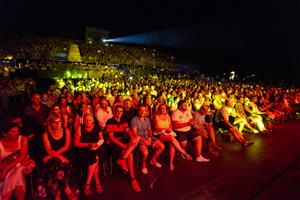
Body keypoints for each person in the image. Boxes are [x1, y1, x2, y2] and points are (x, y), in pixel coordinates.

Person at [42, 112, 78, 200]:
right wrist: (59, 157)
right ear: (50, 123)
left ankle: (57, 193)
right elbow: (48, 150)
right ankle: (67, 189)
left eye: (60, 121)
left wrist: (52, 156)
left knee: (59, 164)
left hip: (65, 154)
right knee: (57, 164)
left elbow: (66, 146)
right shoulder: (45, 134)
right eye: (55, 122)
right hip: (54, 156)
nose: (58, 124)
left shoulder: (67, 130)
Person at [105, 105, 141, 192]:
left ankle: (122, 158)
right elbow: (111, 138)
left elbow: (128, 130)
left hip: (123, 141)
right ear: (114, 112)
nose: (119, 113)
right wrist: (122, 145)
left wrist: (132, 137)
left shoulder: (124, 120)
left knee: (137, 137)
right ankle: (133, 178)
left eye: (121, 111)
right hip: (114, 143)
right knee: (131, 155)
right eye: (117, 111)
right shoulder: (110, 121)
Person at [0, 122, 35, 200]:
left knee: (17, 170)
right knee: (17, 174)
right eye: (13, 131)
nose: (17, 133)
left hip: (26, 164)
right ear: (5, 134)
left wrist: (6, 169)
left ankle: (5, 197)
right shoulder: (0, 145)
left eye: (17, 130)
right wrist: (6, 168)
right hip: (10, 169)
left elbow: (22, 157)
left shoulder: (23, 139)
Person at [154, 104, 192, 171]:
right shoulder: (156, 116)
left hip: (168, 133)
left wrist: (170, 129)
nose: (163, 110)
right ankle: (183, 152)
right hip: (159, 133)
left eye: (164, 108)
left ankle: (171, 162)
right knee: (171, 138)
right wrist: (165, 130)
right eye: (162, 108)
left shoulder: (167, 116)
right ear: (159, 109)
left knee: (172, 145)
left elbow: (171, 126)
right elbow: (156, 128)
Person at [74, 113, 104, 196]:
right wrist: (90, 144)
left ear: (93, 121)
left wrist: (97, 144)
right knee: (95, 159)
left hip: (96, 149)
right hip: (83, 150)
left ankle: (87, 184)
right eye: (86, 120)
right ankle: (96, 182)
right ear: (83, 120)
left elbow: (101, 138)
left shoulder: (97, 128)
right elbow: (76, 143)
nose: (88, 121)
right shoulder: (79, 128)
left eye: (90, 120)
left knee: (95, 156)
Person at [131, 104, 165, 175]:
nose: (142, 112)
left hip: (148, 137)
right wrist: (144, 140)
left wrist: (150, 137)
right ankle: (143, 164)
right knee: (145, 152)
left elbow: (149, 130)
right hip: (140, 139)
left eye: (143, 110)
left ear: (146, 111)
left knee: (162, 146)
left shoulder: (147, 119)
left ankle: (153, 160)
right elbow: (135, 134)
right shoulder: (134, 120)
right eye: (140, 110)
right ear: (138, 111)